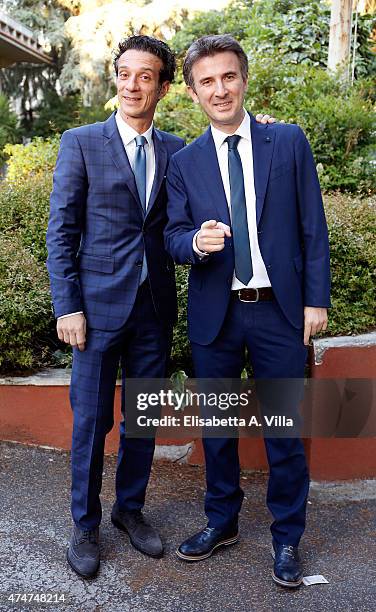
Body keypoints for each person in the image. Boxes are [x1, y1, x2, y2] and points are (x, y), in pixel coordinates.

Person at [46, 34, 274, 579]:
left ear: (165, 87)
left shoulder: (178, 150)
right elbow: (61, 233)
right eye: (125, 73)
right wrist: (67, 306)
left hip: (154, 309)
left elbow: (227, 161)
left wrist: (263, 131)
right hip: (95, 313)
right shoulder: (80, 143)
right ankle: (85, 524)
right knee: (91, 423)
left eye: (146, 76)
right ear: (115, 78)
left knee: (140, 420)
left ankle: (130, 510)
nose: (133, 85)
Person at [165, 34, 330, 588]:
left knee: (283, 428)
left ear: (244, 78)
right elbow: (171, 235)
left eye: (228, 76)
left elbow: (312, 227)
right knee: (218, 429)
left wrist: (315, 300)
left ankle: (287, 537)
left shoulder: (286, 142)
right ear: (192, 92)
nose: (220, 89)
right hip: (217, 315)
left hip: (280, 313)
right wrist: (195, 244)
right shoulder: (185, 161)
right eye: (207, 81)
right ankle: (222, 521)